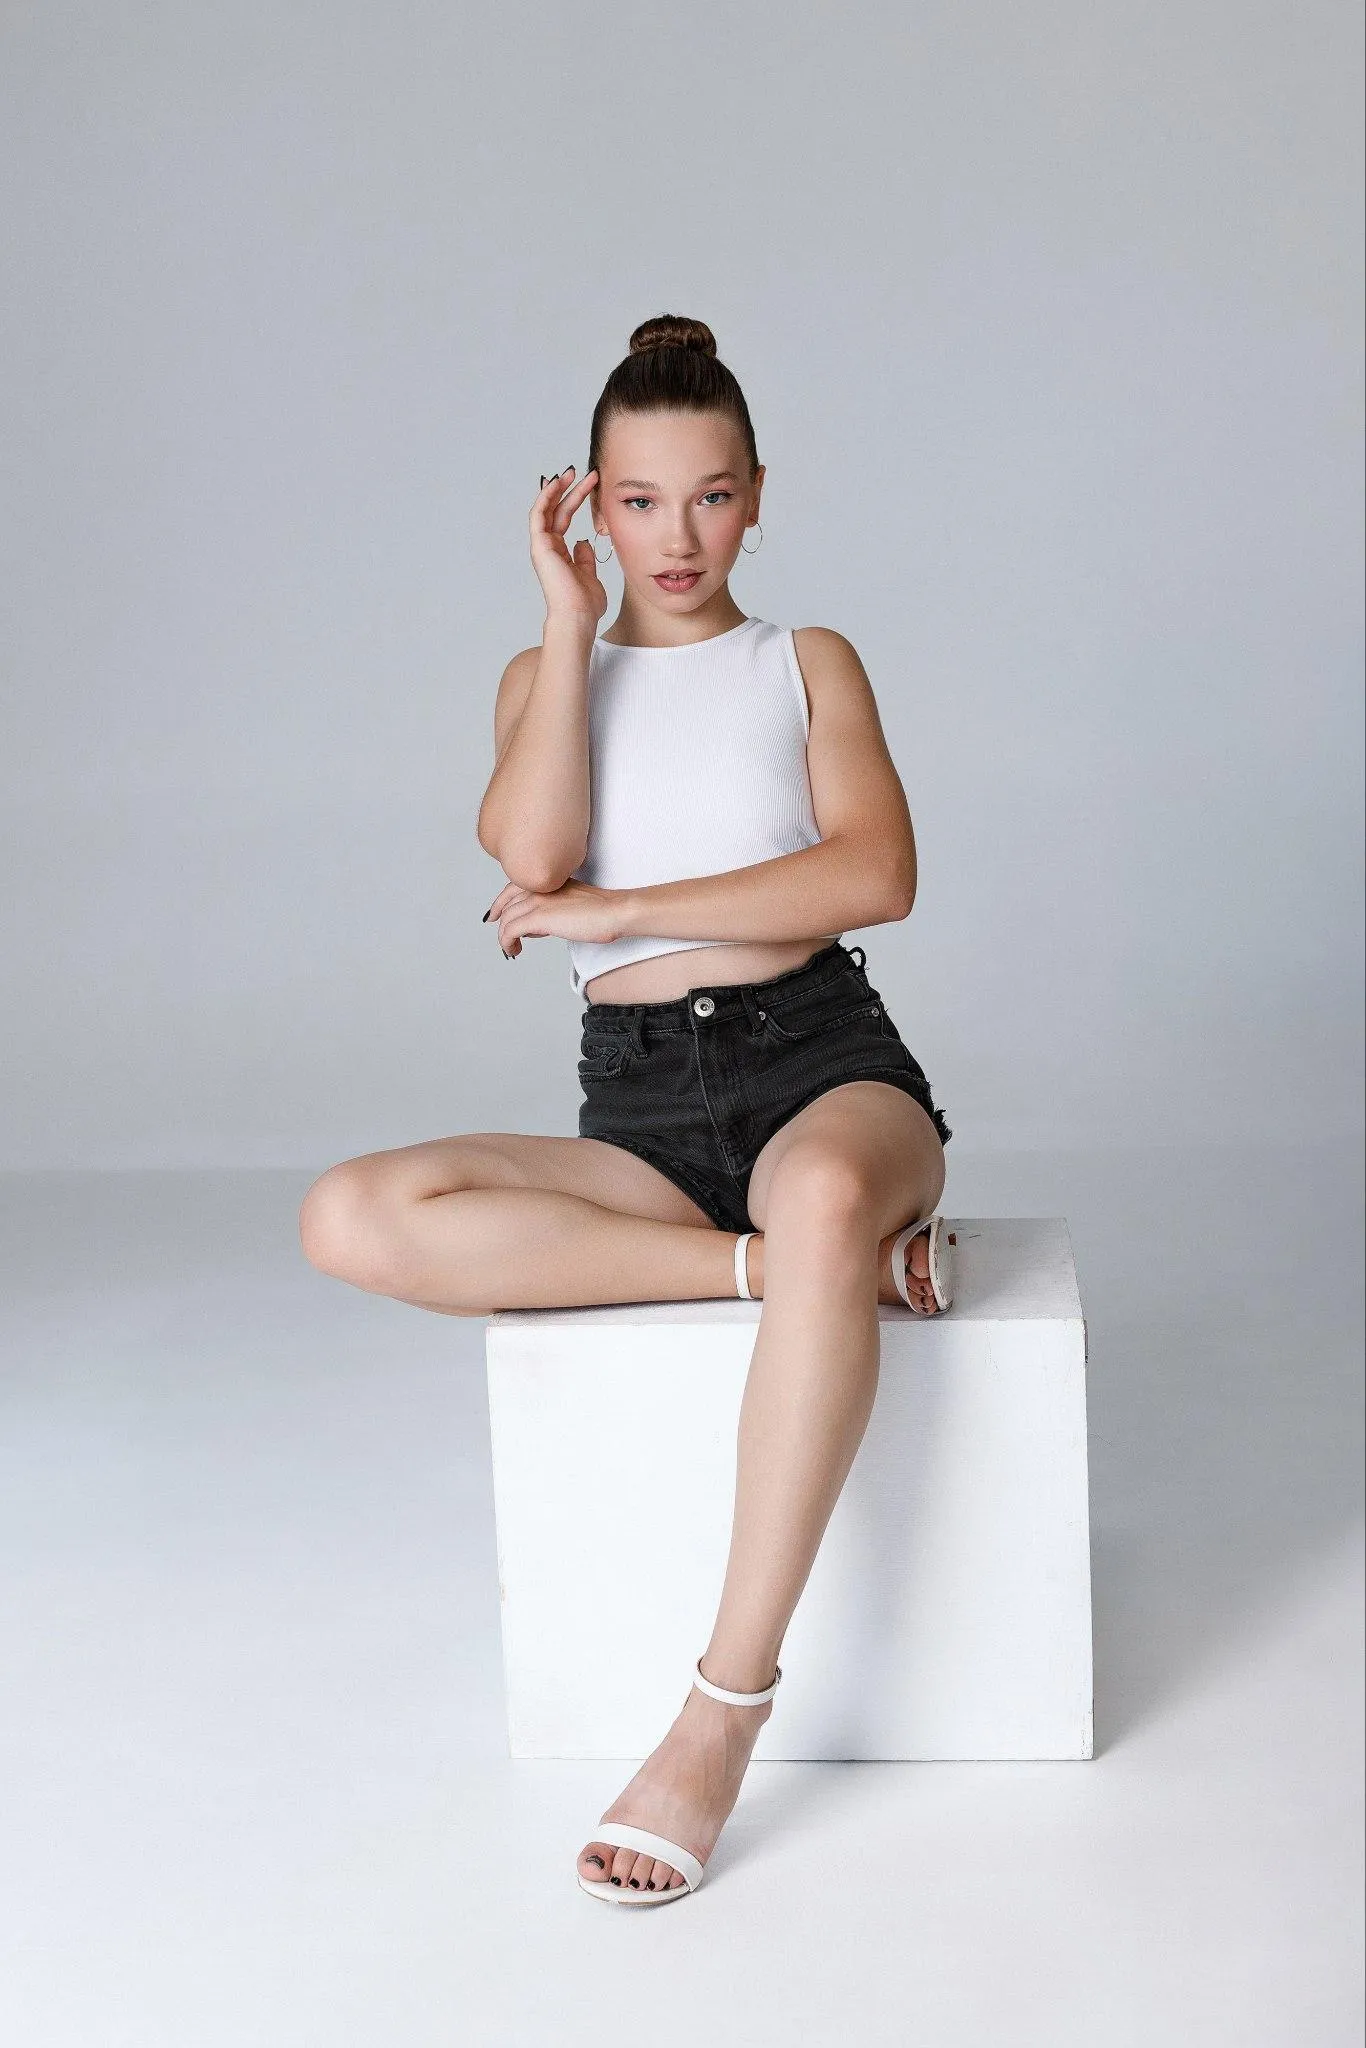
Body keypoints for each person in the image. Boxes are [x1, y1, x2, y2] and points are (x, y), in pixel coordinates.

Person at [299, 313, 957, 1906]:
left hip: (826, 1068)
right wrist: (562, 620)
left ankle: (720, 1709)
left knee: (809, 1195)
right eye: (641, 501)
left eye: (712, 497)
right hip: (644, 1117)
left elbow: (875, 873)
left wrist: (626, 910)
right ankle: (800, 1278)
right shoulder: (547, 673)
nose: (679, 536)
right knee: (352, 1213)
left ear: (755, 498)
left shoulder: (804, 660)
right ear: (589, 501)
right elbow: (530, 861)